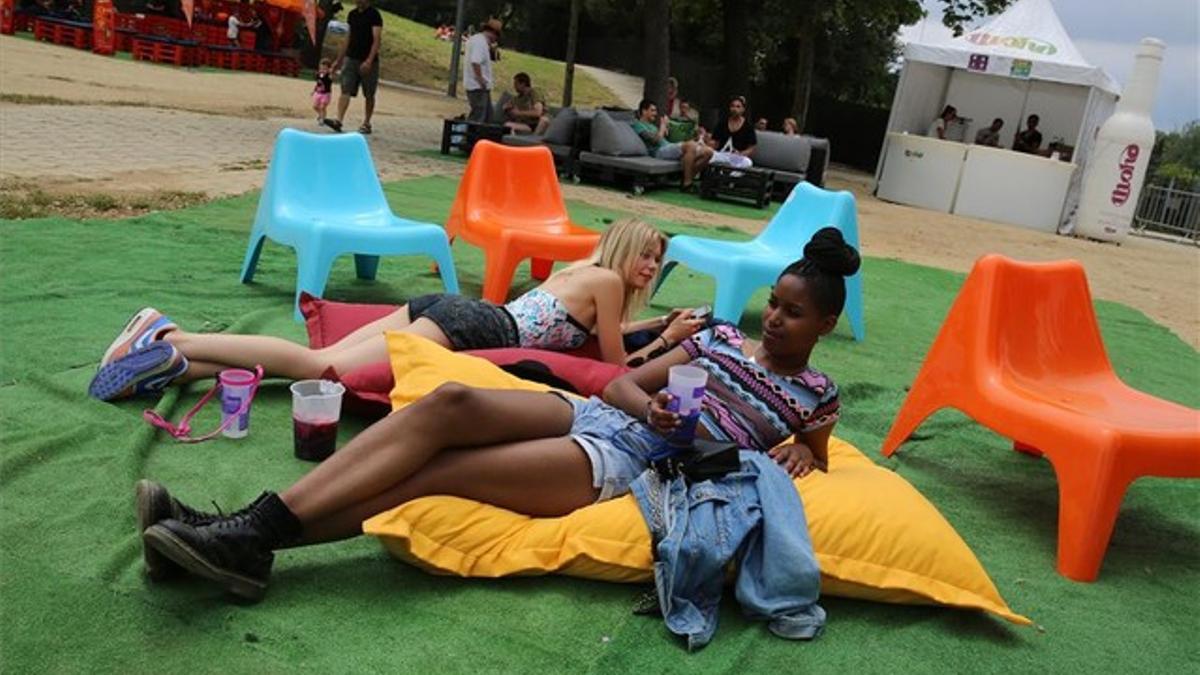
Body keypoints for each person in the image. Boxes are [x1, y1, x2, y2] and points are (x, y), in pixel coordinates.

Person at [134, 228, 859, 602]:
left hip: (636, 466)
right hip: (600, 419)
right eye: (776, 305)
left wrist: (799, 453)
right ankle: (232, 540)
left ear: (824, 322)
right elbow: (621, 384)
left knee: (440, 475)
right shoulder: (720, 340)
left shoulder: (815, 395)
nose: (775, 322)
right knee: (450, 403)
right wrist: (657, 403)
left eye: (795, 315)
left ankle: (243, 537)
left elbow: (813, 452)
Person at [88, 219, 707, 401]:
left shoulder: (585, 271)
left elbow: (604, 331)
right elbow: (613, 363)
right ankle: (169, 331)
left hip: (455, 309)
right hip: (475, 325)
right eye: (649, 257)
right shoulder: (605, 282)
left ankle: (173, 362)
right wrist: (661, 345)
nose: (652, 269)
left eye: (659, 262)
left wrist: (654, 323)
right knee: (320, 368)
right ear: (627, 250)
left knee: (319, 361)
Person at [325, 0, 382, 135]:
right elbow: (348, 38)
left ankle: (367, 122)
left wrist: (369, 60)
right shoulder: (352, 15)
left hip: (368, 59)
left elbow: (377, 39)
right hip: (351, 57)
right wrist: (338, 60)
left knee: (369, 93)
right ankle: (338, 120)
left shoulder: (374, 15)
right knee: (346, 88)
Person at [631, 99, 714, 192]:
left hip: (668, 147)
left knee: (708, 152)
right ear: (644, 111)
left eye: (655, 111)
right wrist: (662, 127)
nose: (655, 113)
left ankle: (686, 178)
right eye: (653, 110)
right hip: (658, 152)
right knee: (691, 146)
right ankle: (687, 184)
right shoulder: (638, 125)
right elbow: (654, 141)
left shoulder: (652, 126)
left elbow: (664, 138)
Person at [463, 18, 501, 123]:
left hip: (480, 87)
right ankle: (468, 138)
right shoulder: (480, 43)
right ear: (493, 33)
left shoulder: (476, 40)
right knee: (478, 117)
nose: (496, 40)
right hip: (478, 87)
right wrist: (480, 79)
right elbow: (475, 61)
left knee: (488, 117)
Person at [706, 95, 757, 166]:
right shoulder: (722, 123)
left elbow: (752, 148)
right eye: (732, 106)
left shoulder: (748, 126)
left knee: (747, 162)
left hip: (737, 156)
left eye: (738, 107)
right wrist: (707, 143)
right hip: (721, 154)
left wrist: (741, 154)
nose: (735, 109)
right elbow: (715, 142)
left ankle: (731, 176)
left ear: (743, 109)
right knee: (706, 156)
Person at [312, 58, 334, 125]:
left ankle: (322, 119)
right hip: (318, 93)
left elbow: (332, 77)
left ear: (328, 69)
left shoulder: (329, 76)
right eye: (321, 69)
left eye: (325, 69)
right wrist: (314, 91)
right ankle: (321, 115)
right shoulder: (319, 75)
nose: (322, 71)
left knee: (322, 107)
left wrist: (331, 72)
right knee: (315, 106)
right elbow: (318, 84)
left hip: (326, 94)